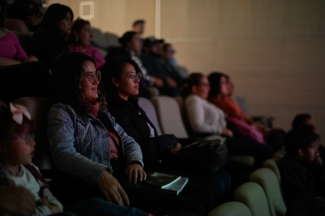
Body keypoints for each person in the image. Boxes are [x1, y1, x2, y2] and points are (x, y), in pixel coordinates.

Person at [47, 52, 208, 215]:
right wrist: (100, 174)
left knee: (202, 196)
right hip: (103, 183)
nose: (96, 81)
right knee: (193, 208)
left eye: (96, 75)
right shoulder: (62, 111)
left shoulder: (101, 111)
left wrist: (135, 162)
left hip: (127, 174)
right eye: (89, 76)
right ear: (72, 81)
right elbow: (63, 153)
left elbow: (129, 141)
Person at [101, 57, 231, 207]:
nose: (138, 80)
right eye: (132, 76)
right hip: (150, 166)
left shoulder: (132, 104)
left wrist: (170, 143)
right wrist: (171, 140)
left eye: (138, 75)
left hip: (161, 157)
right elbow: (142, 147)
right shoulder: (116, 110)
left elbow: (151, 139)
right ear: (116, 81)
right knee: (212, 188)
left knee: (223, 177)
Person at [0, 100, 152, 216]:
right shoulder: (5, 183)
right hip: (88, 182)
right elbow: (63, 153)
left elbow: (54, 203)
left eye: (32, 135)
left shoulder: (31, 170)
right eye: (25, 137)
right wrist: (48, 209)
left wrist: (135, 162)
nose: (33, 142)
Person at [182, 73, 272, 166]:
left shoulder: (203, 100)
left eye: (208, 85)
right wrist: (222, 130)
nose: (209, 88)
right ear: (194, 88)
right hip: (218, 140)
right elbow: (197, 126)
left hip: (224, 136)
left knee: (265, 147)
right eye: (205, 85)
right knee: (264, 150)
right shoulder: (193, 100)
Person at [0, 0, 50, 104]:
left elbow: (24, 57)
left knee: (45, 70)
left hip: (13, 73)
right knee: (38, 69)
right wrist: (22, 63)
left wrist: (31, 60)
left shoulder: (6, 32)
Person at [207, 72, 267, 145]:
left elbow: (241, 118)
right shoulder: (214, 103)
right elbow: (235, 121)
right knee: (275, 138)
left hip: (245, 129)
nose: (229, 85)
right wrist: (252, 127)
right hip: (237, 133)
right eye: (224, 82)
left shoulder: (227, 100)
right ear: (216, 84)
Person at [278, 128, 325, 214]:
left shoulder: (304, 165)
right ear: (301, 152)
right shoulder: (291, 168)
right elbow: (301, 203)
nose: (317, 152)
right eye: (313, 147)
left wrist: (319, 168)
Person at [30, 3, 72, 67]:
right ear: (56, 18)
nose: (70, 23)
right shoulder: (44, 37)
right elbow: (55, 64)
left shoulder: (59, 39)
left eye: (70, 19)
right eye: (66, 18)